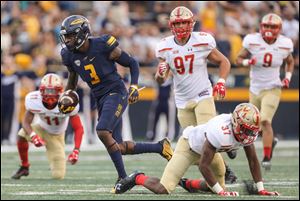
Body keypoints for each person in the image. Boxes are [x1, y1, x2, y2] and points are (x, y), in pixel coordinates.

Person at [58, 15, 173, 191]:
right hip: (100, 98)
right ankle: (160, 147)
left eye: (71, 35)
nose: (67, 40)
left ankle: (122, 177)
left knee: (102, 131)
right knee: (118, 147)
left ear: (82, 34)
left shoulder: (103, 45)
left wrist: (134, 86)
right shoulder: (68, 55)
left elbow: (132, 63)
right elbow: (73, 79)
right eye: (66, 36)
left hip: (116, 92)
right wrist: (68, 94)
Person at [114, 103, 280, 197]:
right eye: (246, 129)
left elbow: (252, 160)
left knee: (212, 187)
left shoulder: (243, 132)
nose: (249, 134)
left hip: (211, 151)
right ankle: (138, 177)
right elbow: (203, 166)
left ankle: (186, 182)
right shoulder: (220, 131)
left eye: (251, 130)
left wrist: (261, 189)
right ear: (236, 122)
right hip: (189, 147)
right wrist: (221, 192)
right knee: (163, 189)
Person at [153, 6, 236, 183]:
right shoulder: (164, 46)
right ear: (171, 25)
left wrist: (221, 82)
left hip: (203, 94)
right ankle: (226, 156)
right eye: (178, 23)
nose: (182, 26)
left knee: (209, 137)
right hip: (182, 100)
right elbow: (160, 80)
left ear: (191, 23)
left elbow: (224, 61)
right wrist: (160, 73)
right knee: (194, 145)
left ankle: (225, 170)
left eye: (184, 22)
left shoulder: (202, 41)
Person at [236, 13, 294, 170]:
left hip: (273, 87)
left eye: (272, 26)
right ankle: (271, 140)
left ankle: (267, 157)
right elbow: (238, 59)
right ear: (261, 27)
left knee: (265, 121)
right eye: (266, 26)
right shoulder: (252, 40)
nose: (269, 29)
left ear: (279, 29)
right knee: (250, 124)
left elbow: (290, 61)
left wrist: (287, 77)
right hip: (255, 88)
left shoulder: (285, 43)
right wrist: (249, 61)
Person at [11, 73, 84, 180]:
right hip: (41, 128)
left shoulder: (67, 101)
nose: (50, 94)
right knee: (22, 134)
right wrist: (33, 135)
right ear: (41, 90)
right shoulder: (34, 99)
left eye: (53, 90)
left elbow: (78, 128)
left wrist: (76, 150)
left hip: (57, 135)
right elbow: (26, 122)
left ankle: (54, 162)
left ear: (60, 90)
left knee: (58, 176)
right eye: (47, 90)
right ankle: (24, 166)